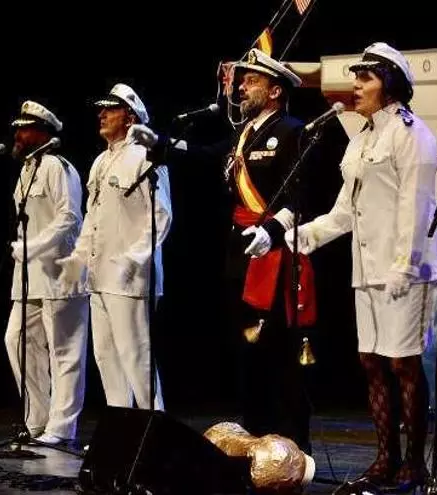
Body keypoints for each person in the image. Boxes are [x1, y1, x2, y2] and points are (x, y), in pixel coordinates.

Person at [129, 48, 349, 454]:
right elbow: (206, 156)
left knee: (279, 353)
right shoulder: (244, 133)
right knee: (247, 353)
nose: (242, 88)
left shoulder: (293, 131)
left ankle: (291, 447)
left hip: (276, 252)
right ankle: (255, 440)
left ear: (275, 91)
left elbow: (302, 195)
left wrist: (273, 230)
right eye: (242, 80)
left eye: (252, 81)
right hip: (241, 252)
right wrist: (162, 142)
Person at [287, 43, 437, 489]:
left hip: (406, 272)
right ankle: (384, 460)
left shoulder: (412, 134)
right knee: (372, 362)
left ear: (389, 84)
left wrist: (403, 266)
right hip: (368, 269)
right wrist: (302, 237)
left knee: (404, 365)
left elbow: (417, 208)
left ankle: (414, 464)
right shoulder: (361, 140)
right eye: (355, 77)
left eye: (366, 79)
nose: (355, 86)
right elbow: (345, 212)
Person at [57, 83, 171, 411]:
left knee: (136, 356)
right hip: (100, 276)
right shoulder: (100, 162)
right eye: (101, 109)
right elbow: (92, 218)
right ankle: (122, 427)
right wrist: (78, 259)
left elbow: (161, 215)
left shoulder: (146, 156)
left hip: (130, 278)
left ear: (130, 117)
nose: (102, 115)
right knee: (106, 356)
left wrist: (135, 258)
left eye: (111, 109)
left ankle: (153, 425)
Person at [4, 100, 89, 444]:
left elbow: (70, 217)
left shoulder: (58, 167)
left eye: (24, 130)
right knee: (16, 340)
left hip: (60, 270)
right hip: (30, 275)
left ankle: (61, 427)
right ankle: (36, 418)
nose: (18, 135)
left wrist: (32, 247)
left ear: (42, 133)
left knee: (63, 351)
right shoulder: (27, 170)